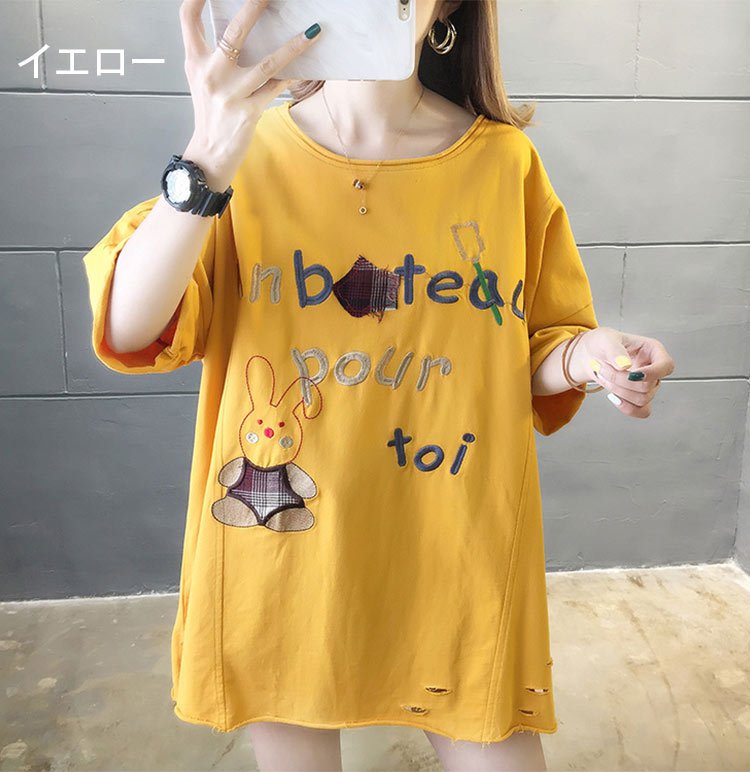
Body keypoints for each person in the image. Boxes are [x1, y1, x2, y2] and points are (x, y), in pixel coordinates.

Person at [82, 0, 675, 769]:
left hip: (453, 543)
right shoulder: (242, 155)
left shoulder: (504, 163)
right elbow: (129, 328)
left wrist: (588, 355)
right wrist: (206, 156)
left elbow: (527, 347)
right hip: (285, 552)